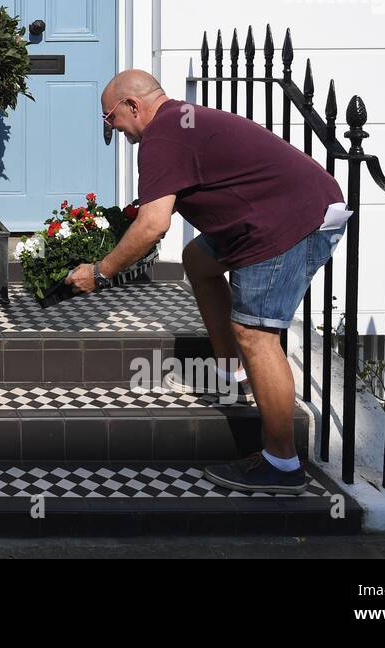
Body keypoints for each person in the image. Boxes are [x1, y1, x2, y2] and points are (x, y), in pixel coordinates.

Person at [63, 69, 350, 495]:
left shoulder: (162, 136)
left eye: (111, 120)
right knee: (199, 258)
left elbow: (154, 224)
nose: (114, 131)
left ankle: (282, 463)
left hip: (287, 221)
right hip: (279, 209)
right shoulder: (180, 121)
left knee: (256, 334)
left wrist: (101, 271)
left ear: (133, 106)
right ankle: (230, 368)